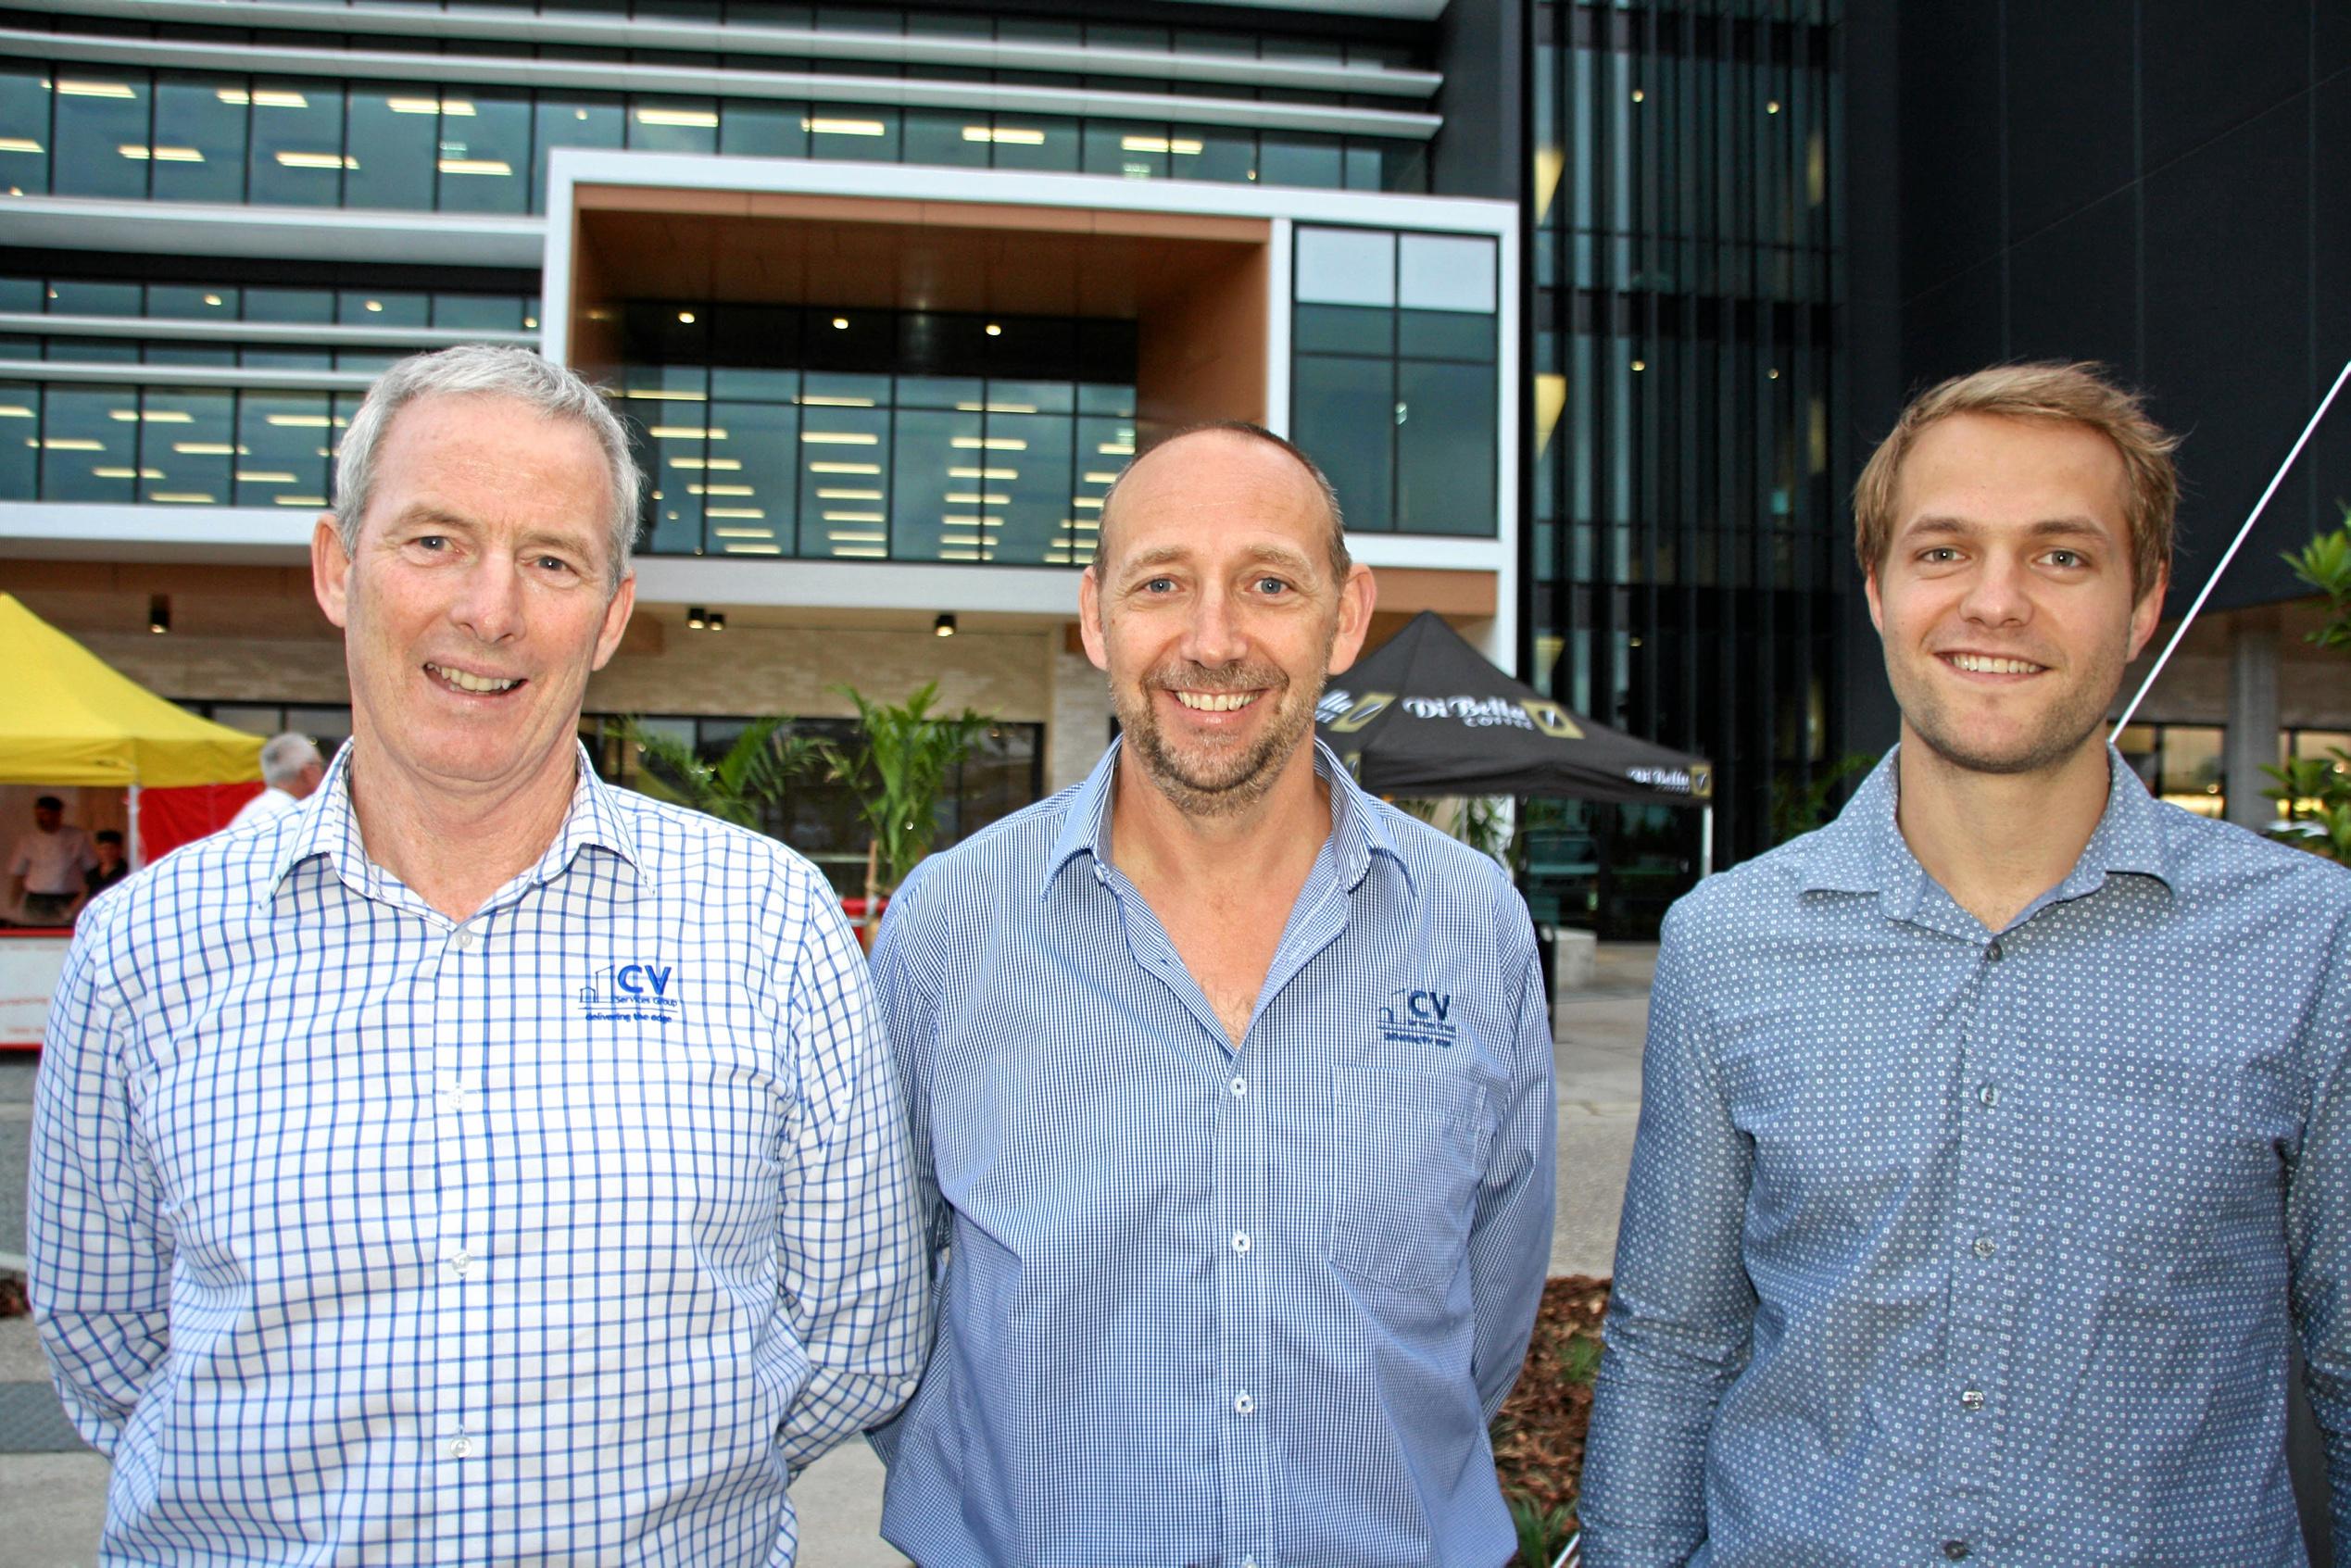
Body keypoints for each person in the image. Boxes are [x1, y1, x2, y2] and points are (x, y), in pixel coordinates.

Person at [30, 345, 926, 1564]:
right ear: (337, 566)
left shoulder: (771, 926)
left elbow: (853, 1335)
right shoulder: (143, 948)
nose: (489, 610)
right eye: (434, 540)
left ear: (609, 615)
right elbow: (107, 1349)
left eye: (550, 560)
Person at [1580, 362, 2351, 1566]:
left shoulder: (2309, 944)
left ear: (2143, 600)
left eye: (2060, 556)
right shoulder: (1726, 943)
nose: (1995, 603)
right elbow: (1671, 1347)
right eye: (1943, 552)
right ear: (1879, 588)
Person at [869, 422, 1557, 1567]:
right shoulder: (950, 924)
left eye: (1269, 582)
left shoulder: (1473, 923)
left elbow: (1484, 1323)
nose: (1213, 639)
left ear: (1346, 615)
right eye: (1163, 583)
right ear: (1097, 615)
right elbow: (883, 1318)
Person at [7, 794, 95, 926]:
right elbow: (19, 876)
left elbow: (92, 872)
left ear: (58, 814)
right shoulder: (27, 840)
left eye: (45, 814)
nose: (41, 819)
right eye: (38, 815)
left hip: (68, 900)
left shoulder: (77, 837)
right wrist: (12, 906)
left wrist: (85, 900)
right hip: (36, 900)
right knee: (34, 939)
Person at [226, 731, 326, 829]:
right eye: (321, 765)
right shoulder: (292, 817)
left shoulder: (256, 808)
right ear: (308, 771)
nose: (323, 773)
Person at [82, 828, 129, 900]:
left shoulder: (127, 872)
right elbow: (85, 895)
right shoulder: (92, 873)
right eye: (103, 848)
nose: (107, 852)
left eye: (111, 848)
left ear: (120, 849)